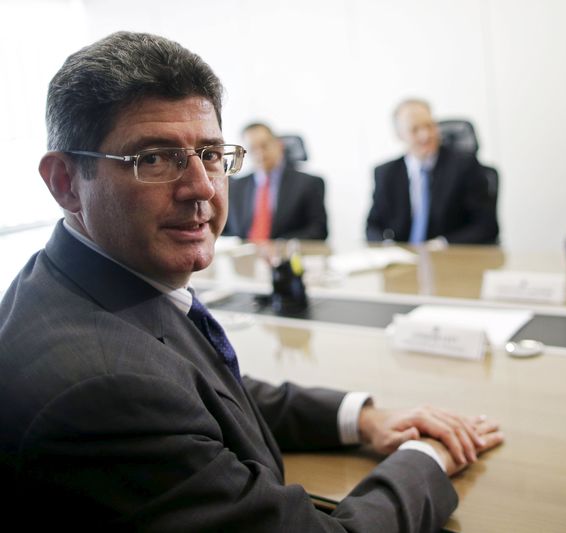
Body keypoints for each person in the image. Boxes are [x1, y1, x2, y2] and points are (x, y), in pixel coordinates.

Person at [0, 32, 503, 531]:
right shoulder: (102, 391)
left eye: (212, 154)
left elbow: (205, 388)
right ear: (66, 182)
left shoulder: (81, 281)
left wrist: (362, 418)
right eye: (153, 158)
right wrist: (425, 457)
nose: (201, 187)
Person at [366, 98, 499, 245]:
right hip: (405, 261)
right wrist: (386, 245)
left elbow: (487, 227)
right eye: (414, 129)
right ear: (399, 135)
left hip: (449, 258)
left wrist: (443, 244)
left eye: (429, 126)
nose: (425, 135)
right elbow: (372, 226)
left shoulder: (465, 166)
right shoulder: (386, 173)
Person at [223, 122, 328, 240]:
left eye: (264, 146)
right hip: (244, 255)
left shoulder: (309, 184)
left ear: (279, 145)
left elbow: (319, 230)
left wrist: (281, 245)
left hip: (287, 256)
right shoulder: (235, 187)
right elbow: (224, 230)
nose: (260, 154)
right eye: (252, 149)